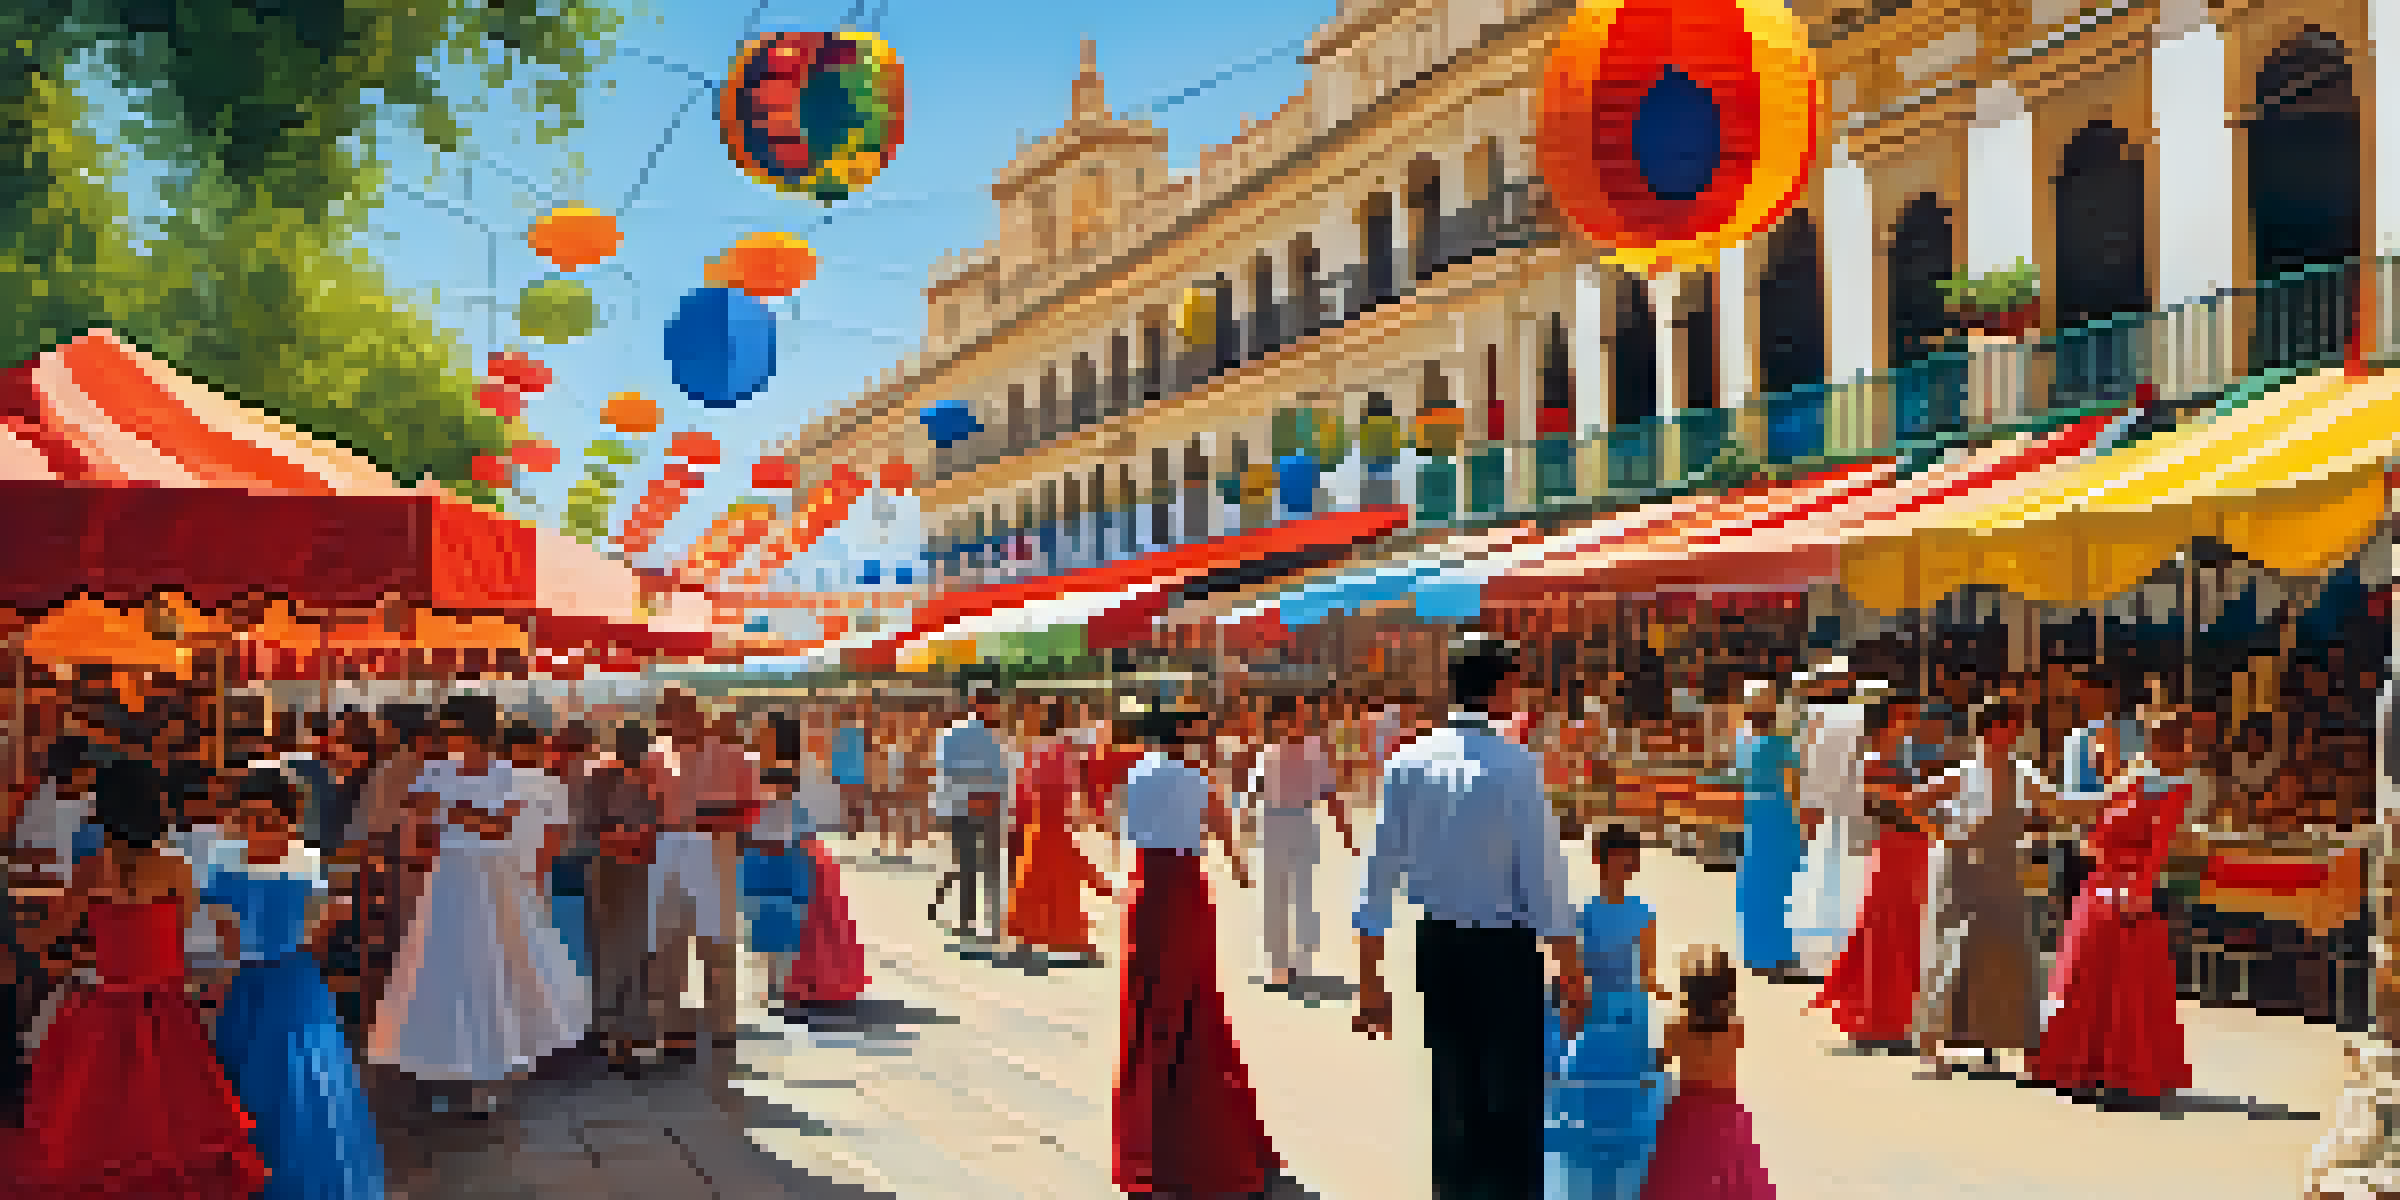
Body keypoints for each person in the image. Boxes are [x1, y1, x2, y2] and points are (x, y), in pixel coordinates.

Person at [1354, 633, 1589, 1200]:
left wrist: (1370, 982)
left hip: (1437, 947)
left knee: (1452, 1087)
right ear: (1503, 690)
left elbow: (1378, 874)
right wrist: (1570, 968)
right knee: (1510, 1099)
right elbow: (1543, 876)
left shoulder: (1409, 760)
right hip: (1503, 953)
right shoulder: (1514, 765)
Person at [12, 758, 269, 1197]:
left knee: (96, 1118)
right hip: (166, 1009)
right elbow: (181, 932)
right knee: (176, 1117)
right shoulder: (176, 869)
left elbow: (44, 935)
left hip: (106, 1007)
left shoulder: (92, 869)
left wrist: (46, 943)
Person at [368, 695, 588, 1114]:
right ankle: (448, 1066)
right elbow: (419, 824)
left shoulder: (506, 774)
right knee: (443, 972)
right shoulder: (434, 772)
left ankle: (491, 1069)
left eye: (454, 731)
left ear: (477, 734)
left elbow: (496, 825)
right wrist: (456, 815)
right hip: (449, 876)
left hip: (492, 878)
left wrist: (450, 810)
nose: (448, 740)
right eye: (445, 732)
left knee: (493, 969)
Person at [1113, 696, 1279, 1196]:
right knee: (1193, 1000)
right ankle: (1197, 1123)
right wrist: (1239, 864)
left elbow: (1127, 830)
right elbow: (1220, 827)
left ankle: (1142, 1132)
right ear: (1182, 734)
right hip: (1184, 885)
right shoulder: (1195, 777)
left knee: (1146, 1005)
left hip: (1146, 886)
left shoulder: (1138, 772)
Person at [203, 765, 386, 1199]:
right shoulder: (225, 856)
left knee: (301, 1085)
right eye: (246, 819)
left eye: (266, 820)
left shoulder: (304, 859)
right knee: (249, 1081)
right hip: (248, 984)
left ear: (290, 817)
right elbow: (224, 934)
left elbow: (316, 936)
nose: (255, 830)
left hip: (293, 982)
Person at [2031, 708, 2194, 1107]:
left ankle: (2121, 1072)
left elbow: (2158, 844)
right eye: (2156, 738)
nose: (2160, 747)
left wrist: (2140, 888)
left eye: (2169, 740)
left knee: (2122, 985)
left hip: (2127, 888)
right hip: (2099, 882)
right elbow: (2095, 818)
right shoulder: (2134, 779)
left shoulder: (2173, 787)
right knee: (2078, 976)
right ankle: (2075, 1066)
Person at [1911, 700, 2040, 1079]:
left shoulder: (2023, 772)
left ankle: (1988, 1037)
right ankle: (1932, 1049)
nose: (2016, 734)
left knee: (2001, 952)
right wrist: (1941, 834)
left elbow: (2055, 805)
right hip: (1960, 871)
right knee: (1950, 951)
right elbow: (1917, 800)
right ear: (1990, 730)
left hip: (2002, 871)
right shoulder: (1964, 772)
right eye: (2011, 727)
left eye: (2018, 727)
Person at [1547, 825, 1672, 1200]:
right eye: (1621, 856)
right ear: (1599, 859)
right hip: (1597, 1012)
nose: (1627, 864)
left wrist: (1662, 991)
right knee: (1595, 1093)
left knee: (1623, 1094)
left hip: (1626, 1014)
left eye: (1632, 857)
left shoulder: (1641, 914)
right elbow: (1575, 969)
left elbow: (1646, 971)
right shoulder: (1584, 915)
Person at [1811, 692, 1935, 1049]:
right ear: (1889, 721)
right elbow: (1890, 803)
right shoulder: (1873, 760)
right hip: (1895, 850)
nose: (1914, 721)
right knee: (1886, 935)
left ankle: (1892, 1020)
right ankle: (1873, 1020)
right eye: (1906, 715)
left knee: (1902, 936)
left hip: (1910, 851)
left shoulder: (1898, 758)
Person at [645, 691, 746, 1057]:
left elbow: (751, 809)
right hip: (667, 847)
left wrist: (715, 820)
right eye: (666, 720)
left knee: (716, 938)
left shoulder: (733, 757)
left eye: (677, 717)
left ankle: (722, 1023)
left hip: (714, 845)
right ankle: (672, 1027)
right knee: (667, 939)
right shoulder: (654, 757)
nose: (671, 727)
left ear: (698, 717)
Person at [1639, 947, 1776, 1199]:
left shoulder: (1678, 1028)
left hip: (1688, 1108)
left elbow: (1659, 1061)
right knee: (1731, 1168)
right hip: (1725, 1108)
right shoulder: (1735, 1029)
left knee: (1682, 1170)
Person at [1249, 694, 1354, 990]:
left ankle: (1304, 960)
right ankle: (1278, 964)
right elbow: (1255, 791)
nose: (1299, 721)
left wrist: (1345, 832)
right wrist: (1245, 827)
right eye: (1293, 715)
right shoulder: (1267, 751)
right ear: (1278, 721)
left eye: (1302, 715)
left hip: (1301, 821)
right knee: (1275, 896)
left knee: (1302, 893)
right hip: (1271, 823)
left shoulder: (1314, 750)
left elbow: (1329, 794)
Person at [581, 721, 663, 1069]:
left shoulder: (602, 779)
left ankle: (613, 1031)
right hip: (631, 868)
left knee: (613, 949)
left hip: (612, 866)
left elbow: (587, 824)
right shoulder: (649, 782)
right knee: (630, 950)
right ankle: (623, 1031)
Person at [1005, 701, 1113, 961]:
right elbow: (1069, 790)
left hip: (1038, 820)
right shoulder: (1063, 751)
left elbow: (1027, 787)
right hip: (1055, 821)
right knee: (1062, 883)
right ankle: (1071, 938)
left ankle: (1026, 935)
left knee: (1034, 880)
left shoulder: (1036, 749)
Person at [1788, 660, 1869, 978]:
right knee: (1843, 883)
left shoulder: (1830, 718)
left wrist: (1809, 807)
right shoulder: (1851, 716)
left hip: (1834, 811)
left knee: (1828, 884)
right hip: (1848, 810)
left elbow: (1818, 771)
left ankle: (1827, 958)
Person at [1732, 679, 1805, 980]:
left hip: (1755, 815)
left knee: (1756, 883)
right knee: (1779, 885)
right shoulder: (1780, 744)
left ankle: (1755, 951)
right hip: (1777, 815)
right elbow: (1796, 778)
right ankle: (1777, 953)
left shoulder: (1743, 741)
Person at [932, 686, 1012, 941]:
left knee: (968, 864)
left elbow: (947, 769)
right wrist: (986, 791)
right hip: (984, 805)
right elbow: (1000, 775)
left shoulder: (952, 732)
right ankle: (991, 923)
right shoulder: (991, 735)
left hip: (963, 805)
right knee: (988, 865)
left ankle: (968, 922)